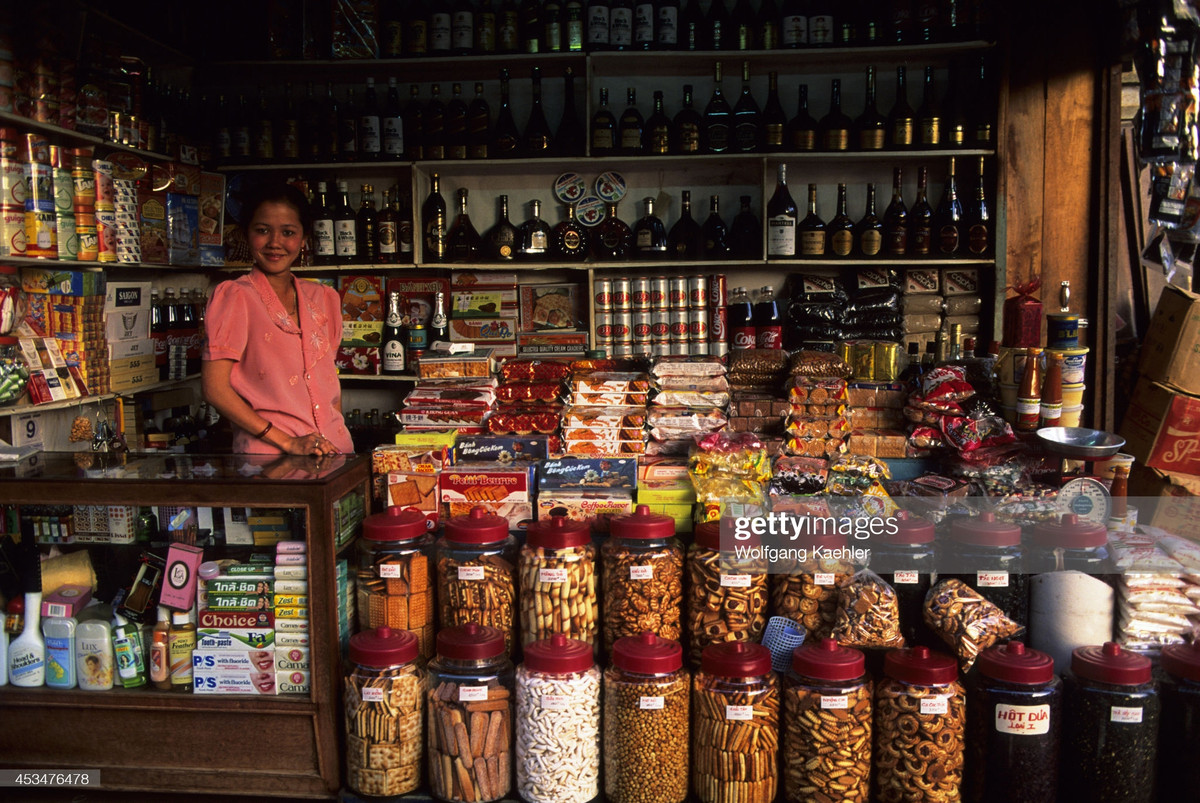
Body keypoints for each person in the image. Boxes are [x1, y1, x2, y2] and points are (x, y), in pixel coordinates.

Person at [202, 181, 353, 456]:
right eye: (262, 231)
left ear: (304, 238)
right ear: (246, 234)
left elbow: (329, 385)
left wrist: (335, 442)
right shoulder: (235, 297)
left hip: (334, 454)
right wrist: (287, 442)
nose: (275, 243)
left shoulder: (324, 298)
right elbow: (214, 389)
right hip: (271, 460)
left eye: (288, 232)